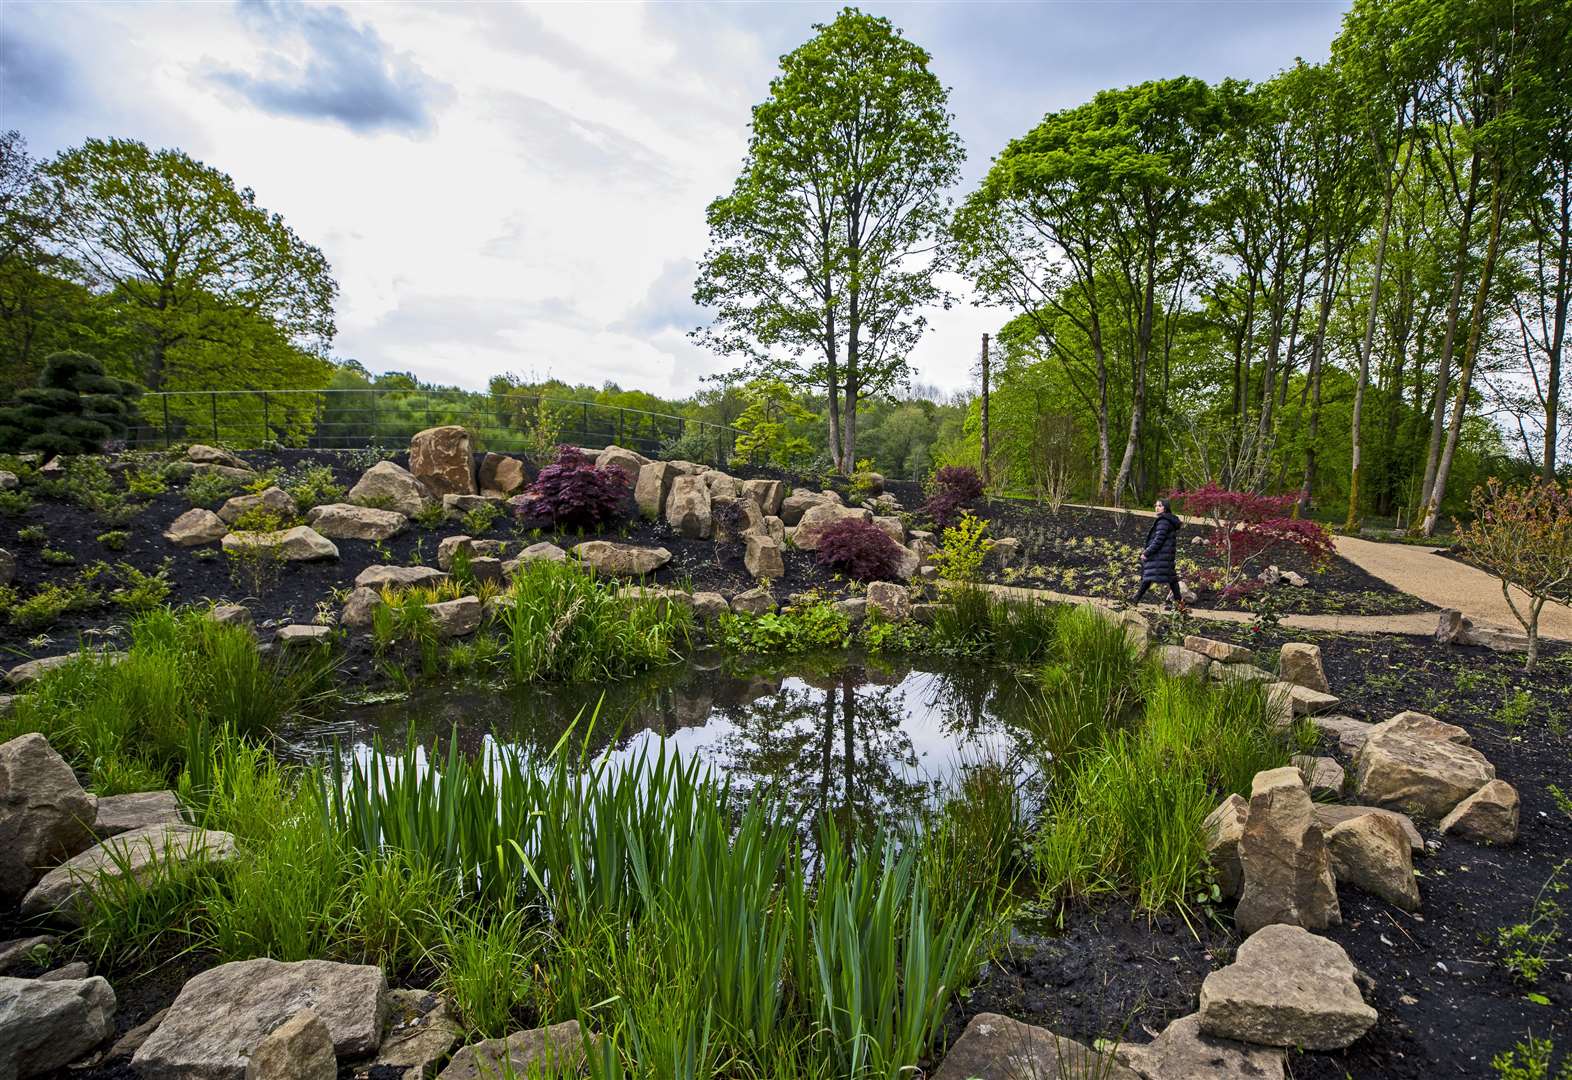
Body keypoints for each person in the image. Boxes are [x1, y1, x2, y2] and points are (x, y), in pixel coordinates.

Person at [1134, 498, 1186, 611]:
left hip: (1160, 556)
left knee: (1149, 577)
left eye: (1160, 505)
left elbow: (1158, 540)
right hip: (1165, 556)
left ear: (1165, 508)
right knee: (1171, 579)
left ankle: (1135, 599)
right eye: (1156, 505)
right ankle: (1180, 604)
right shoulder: (1168, 520)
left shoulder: (1163, 521)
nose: (1157, 507)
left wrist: (1147, 552)